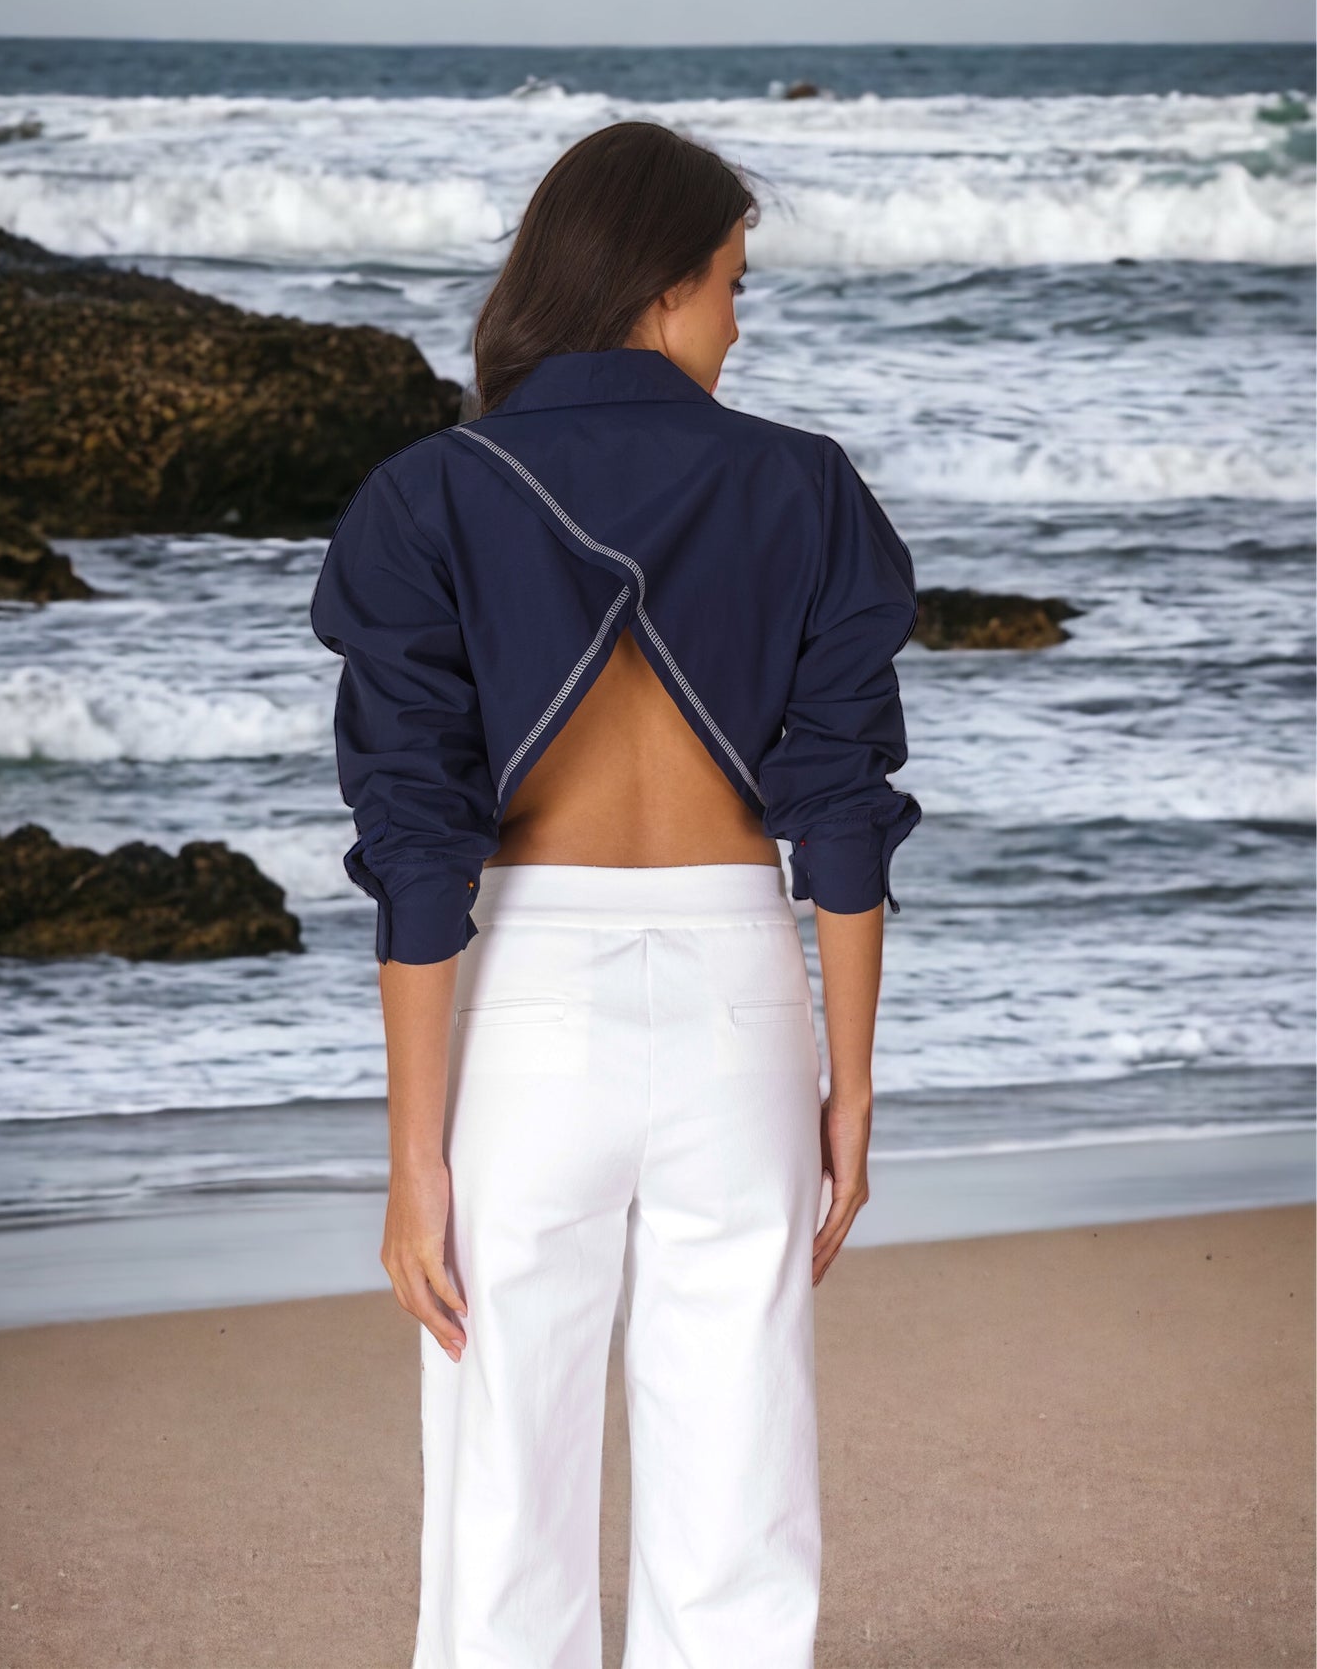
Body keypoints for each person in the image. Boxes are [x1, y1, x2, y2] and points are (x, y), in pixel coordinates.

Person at [309, 119, 923, 1669]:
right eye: (733, 282)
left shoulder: (429, 496)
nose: (739, 322)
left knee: (502, 1474)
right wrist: (851, 1088)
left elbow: (418, 842)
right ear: (660, 288)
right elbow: (843, 811)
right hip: (740, 1005)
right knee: (740, 1473)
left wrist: (414, 1157)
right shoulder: (806, 486)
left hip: (528, 1010)